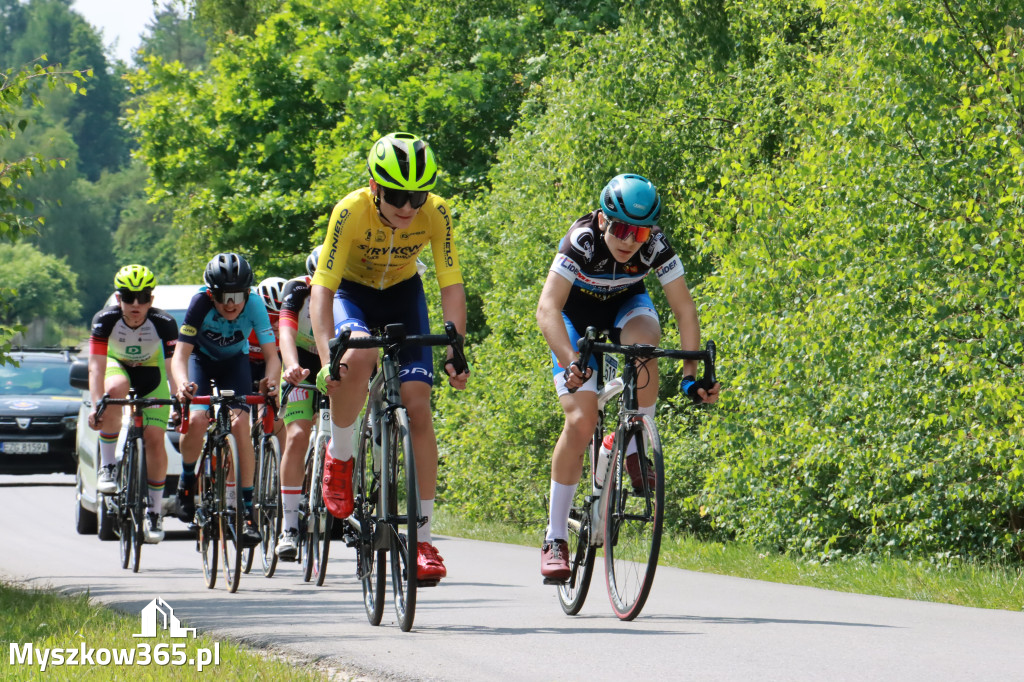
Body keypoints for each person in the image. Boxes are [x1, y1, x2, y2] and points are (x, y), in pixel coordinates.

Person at [535, 173, 720, 582]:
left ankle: (634, 440)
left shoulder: (654, 245)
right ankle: (554, 538)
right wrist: (571, 362)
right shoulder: (581, 238)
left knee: (644, 349)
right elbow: (547, 308)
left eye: (639, 231)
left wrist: (691, 375)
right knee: (580, 423)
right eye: (620, 228)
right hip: (573, 316)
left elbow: (684, 309)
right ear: (603, 220)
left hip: (626, 305)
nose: (629, 239)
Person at [309, 132, 470, 583]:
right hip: (352, 295)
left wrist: (456, 346)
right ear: (376, 188)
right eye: (397, 195)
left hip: (403, 294)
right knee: (358, 358)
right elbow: (322, 291)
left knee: (419, 407)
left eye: (417, 195)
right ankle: (340, 458)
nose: (408, 207)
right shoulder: (350, 211)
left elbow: (450, 283)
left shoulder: (435, 213)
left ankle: (422, 541)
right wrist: (326, 360)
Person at [171, 253, 280, 547]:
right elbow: (180, 356)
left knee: (241, 425)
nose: (230, 304)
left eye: (237, 296)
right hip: (201, 360)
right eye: (222, 296)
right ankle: (187, 479)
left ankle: (246, 512)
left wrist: (271, 382)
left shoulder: (255, 304)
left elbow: (272, 357)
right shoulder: (199, 304)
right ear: (211, 293)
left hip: (235, 362)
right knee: (196, 418)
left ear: (247, 293)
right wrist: (182, 384)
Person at [87, 264, 178, 544]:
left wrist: (177, 402)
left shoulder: (164, 322)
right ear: (118, 299)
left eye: (143, 298)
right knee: (115, 389)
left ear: (152, 300)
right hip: (118, 367)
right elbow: (96, 368)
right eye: (129, 297)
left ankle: (153, 512)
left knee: (154, 438)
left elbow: (173, 367)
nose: (136, 304)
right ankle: (109, 466)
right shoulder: (105, 320)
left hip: (152, 373)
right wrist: (95, 406)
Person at [274, 247, 323, 559]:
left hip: (337, 363)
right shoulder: (297, 289)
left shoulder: (352, 291)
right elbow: (286, 332)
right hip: (301, 364)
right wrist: (290, 365)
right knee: (297, 435)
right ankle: (289, 526)